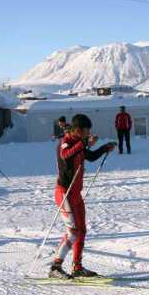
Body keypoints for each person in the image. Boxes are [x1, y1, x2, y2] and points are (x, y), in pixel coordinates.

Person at [49, 114, 116, 279]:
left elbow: (90, 156)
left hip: (76, 194)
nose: (89, 133)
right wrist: (84, 143)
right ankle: (55, 267)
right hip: (64, 193)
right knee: (72, 232)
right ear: (79, 130)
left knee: (82, 231)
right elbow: (66, 154)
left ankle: (77, 267)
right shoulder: (65, 142)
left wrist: (104, 148)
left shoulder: (78, 143)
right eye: (87, 131)